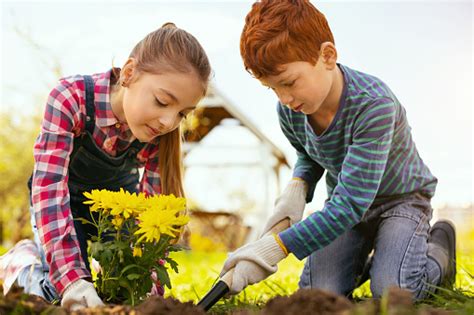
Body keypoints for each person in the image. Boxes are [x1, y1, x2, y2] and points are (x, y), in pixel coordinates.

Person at [220, 0, 456, 301]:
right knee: (318, 295)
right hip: (347, 205)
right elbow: (308, 152)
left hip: (400, 201)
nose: (284, 98)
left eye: (289, 82)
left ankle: (436, 254)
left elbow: (348, 207)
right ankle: (380, 259)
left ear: (327, 55)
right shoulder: (291, 109)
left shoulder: (374, 105)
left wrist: (274, 248)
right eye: (273, 88)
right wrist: (298, 187)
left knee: (394, 292)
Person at [0, 22, 211, 310]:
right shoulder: (70, 99)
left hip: (115, 206)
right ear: (129, 73)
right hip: (60, 203)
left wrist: (148, 286)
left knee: (126, 289)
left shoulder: (155, 133)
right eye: (162, 101)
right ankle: (18, 263)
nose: (168, 122)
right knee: (57, 296)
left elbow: (150, 217)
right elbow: (48, 189)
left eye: (182, 114)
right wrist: (73, 280)